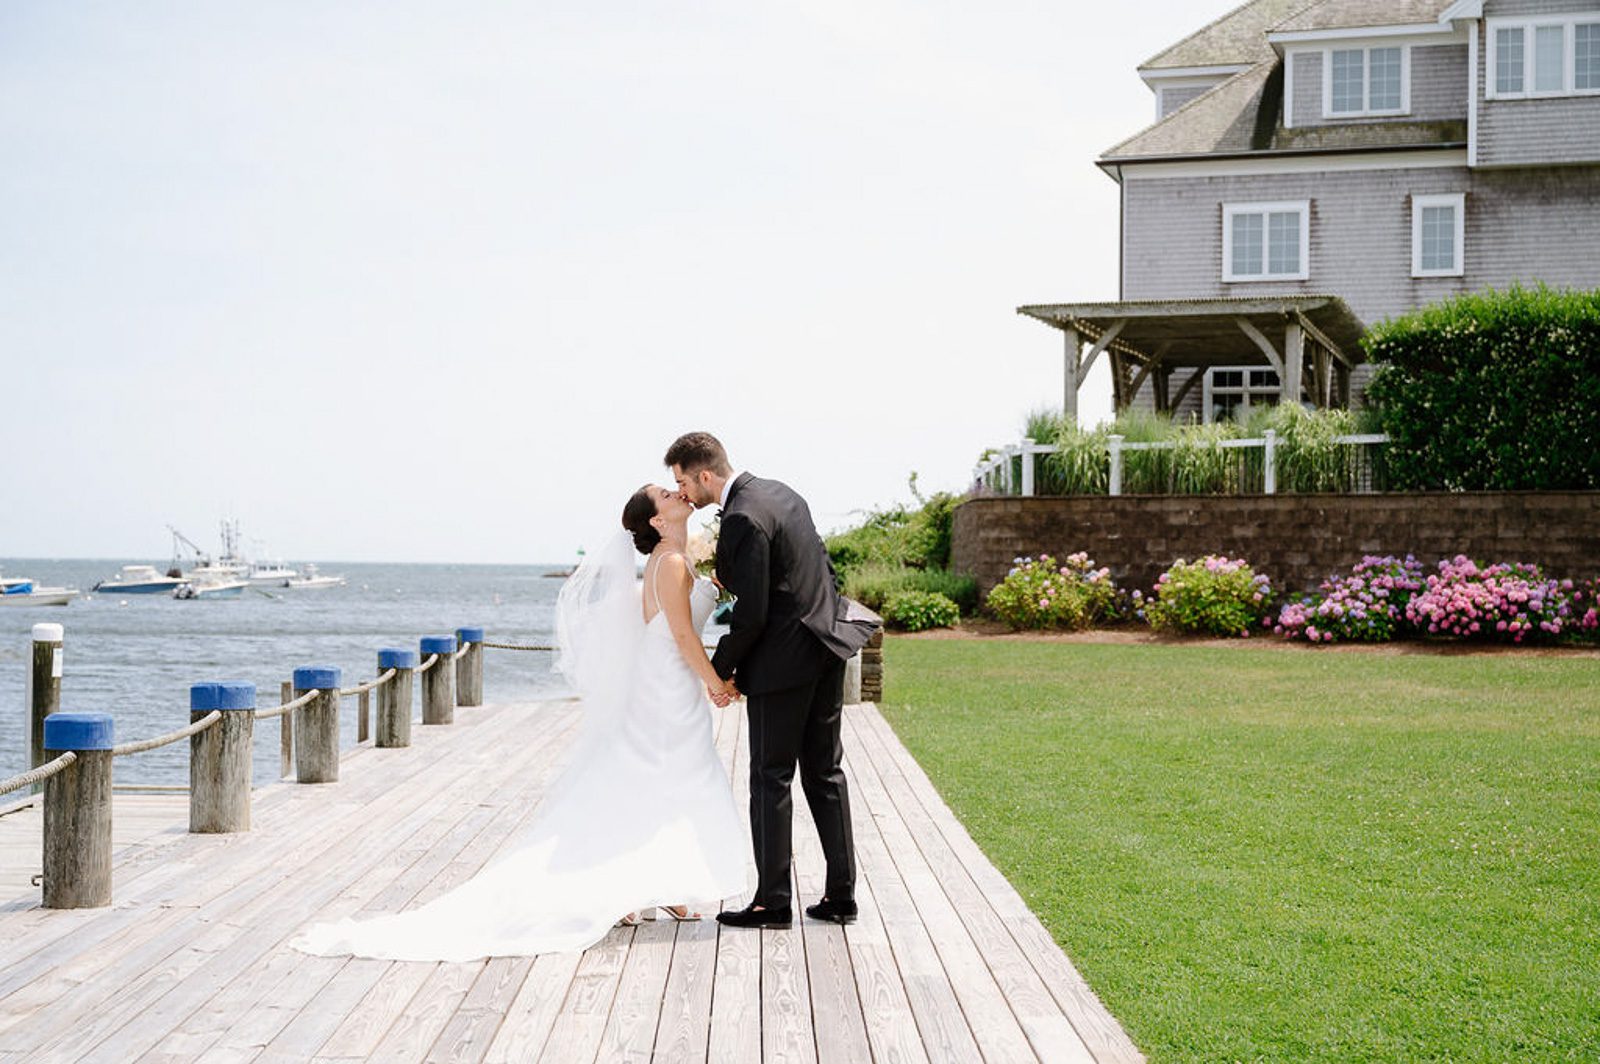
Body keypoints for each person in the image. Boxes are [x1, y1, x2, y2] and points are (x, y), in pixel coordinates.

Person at [290, 485, 748, 961]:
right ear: (656, 520)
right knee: (674, 778)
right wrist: (715, 680)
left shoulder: (676, 558)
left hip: (667, 681)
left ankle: (652, 887)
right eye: (665, 493)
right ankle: (633, 886)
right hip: (667, 686)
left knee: (663, 782)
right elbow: (679, 634)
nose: (677, 492)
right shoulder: (670, 563)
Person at [667, 431, 878, 928]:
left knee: (770, 778)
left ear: (704, 475)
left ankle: (772, 902)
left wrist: (722, 672)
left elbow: (754, 614)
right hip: (827, 646)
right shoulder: (782, 492)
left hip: (784, 664)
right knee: (825, 774)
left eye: (681, 481)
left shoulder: (740, 515)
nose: (682, 492)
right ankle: (841, 897)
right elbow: (818, 567)